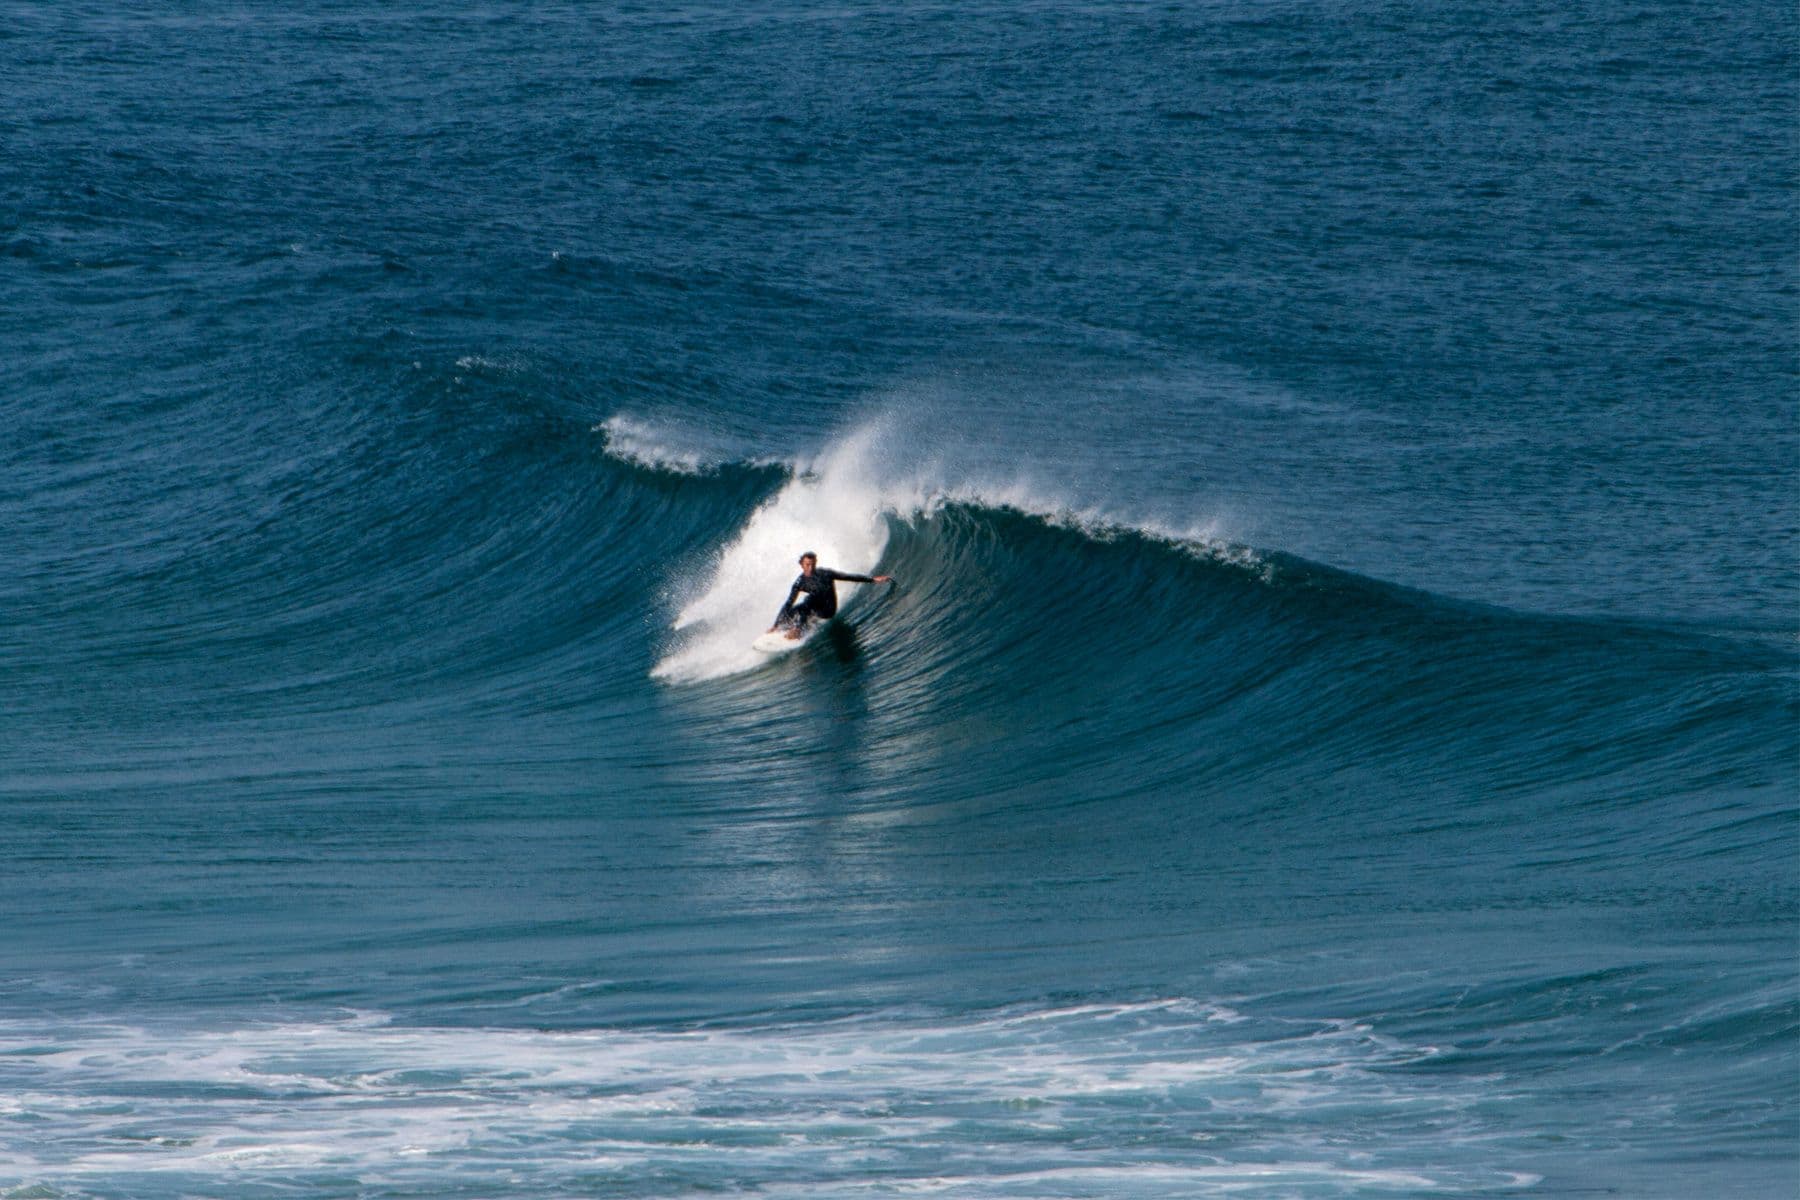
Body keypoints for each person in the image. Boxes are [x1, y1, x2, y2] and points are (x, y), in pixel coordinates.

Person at [769, 551, 893, 639]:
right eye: (807, 564)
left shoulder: (825, 574)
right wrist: (776, 624)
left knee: (808, 601)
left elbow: (848, 577)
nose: (810, 567)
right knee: (796, 608)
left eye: (812, 564)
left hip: (829, 610)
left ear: (815, 563)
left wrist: (872, 580)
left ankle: (798, 631)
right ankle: (780, 628)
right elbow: (788, 602)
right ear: (801, 565)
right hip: (816, 608)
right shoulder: (799, 582)